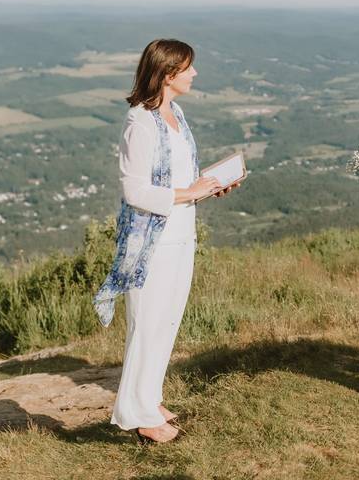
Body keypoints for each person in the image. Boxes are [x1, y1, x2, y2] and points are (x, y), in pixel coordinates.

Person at [93, 38, 237, 444]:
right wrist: (188, 194)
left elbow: (179, 179)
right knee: (146, 323)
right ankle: (136, 414)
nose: (195, 74)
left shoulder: (177, 113)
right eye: (188, 68)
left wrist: (207, 187)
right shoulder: (139, 122)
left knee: (167, 321)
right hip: (151, 241)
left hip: (181, 233)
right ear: (168, 73)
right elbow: (135, 191)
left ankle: (150, 397)